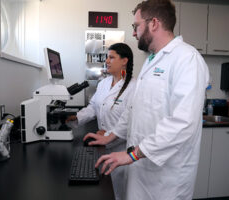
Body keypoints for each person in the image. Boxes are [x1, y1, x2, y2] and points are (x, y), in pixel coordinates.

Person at [83, 0, 210, 199]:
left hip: (166, 176)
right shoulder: (152, 61)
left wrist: (132, 154)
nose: (134, 32)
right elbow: (135, 109)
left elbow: (183, 122)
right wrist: (110, 136)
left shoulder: (187, 59)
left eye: (136, 26)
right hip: (141, 166)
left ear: (154, 23)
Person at [67, 42, 136, 200]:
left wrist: (109, 134)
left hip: (122, 150)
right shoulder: (103, 83)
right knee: (106, 191)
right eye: (107, 57)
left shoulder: (134, 87)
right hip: (103, 148)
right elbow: (93, 107)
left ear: (124, 61)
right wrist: (76, 117)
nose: (107, 61)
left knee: (120, 193)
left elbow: (131, 121)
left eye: (112, 57)